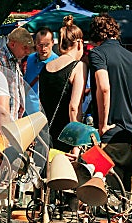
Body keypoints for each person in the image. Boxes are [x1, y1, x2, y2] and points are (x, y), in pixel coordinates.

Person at [88, 13, 132, 191]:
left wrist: (103, 124)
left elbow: (104, 87)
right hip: (130, 135)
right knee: (126, 199)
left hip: (110, 136)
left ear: (96, 35)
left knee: (105, 199)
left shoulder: (97, 54)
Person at [38, 15, 87, 157]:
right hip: (67, 140)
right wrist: (77, 144)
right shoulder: (78, 67)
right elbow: (74, 107)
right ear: (79, 43)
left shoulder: (46, 67)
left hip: (47, 138)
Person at [0, 27, 34, 120]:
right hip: (2, 121)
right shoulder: (0, 59)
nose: (27, 52)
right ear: (12, 44)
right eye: (24, 47)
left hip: (12, 120)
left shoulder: (14, 59)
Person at [24, 26, 59, 115]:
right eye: (40, 45)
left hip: (47, 114)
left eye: (47, 44)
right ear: (35, 43)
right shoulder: (29, 59)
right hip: (27, 113)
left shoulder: (58, 63)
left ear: (52, 43)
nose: (43, 48)